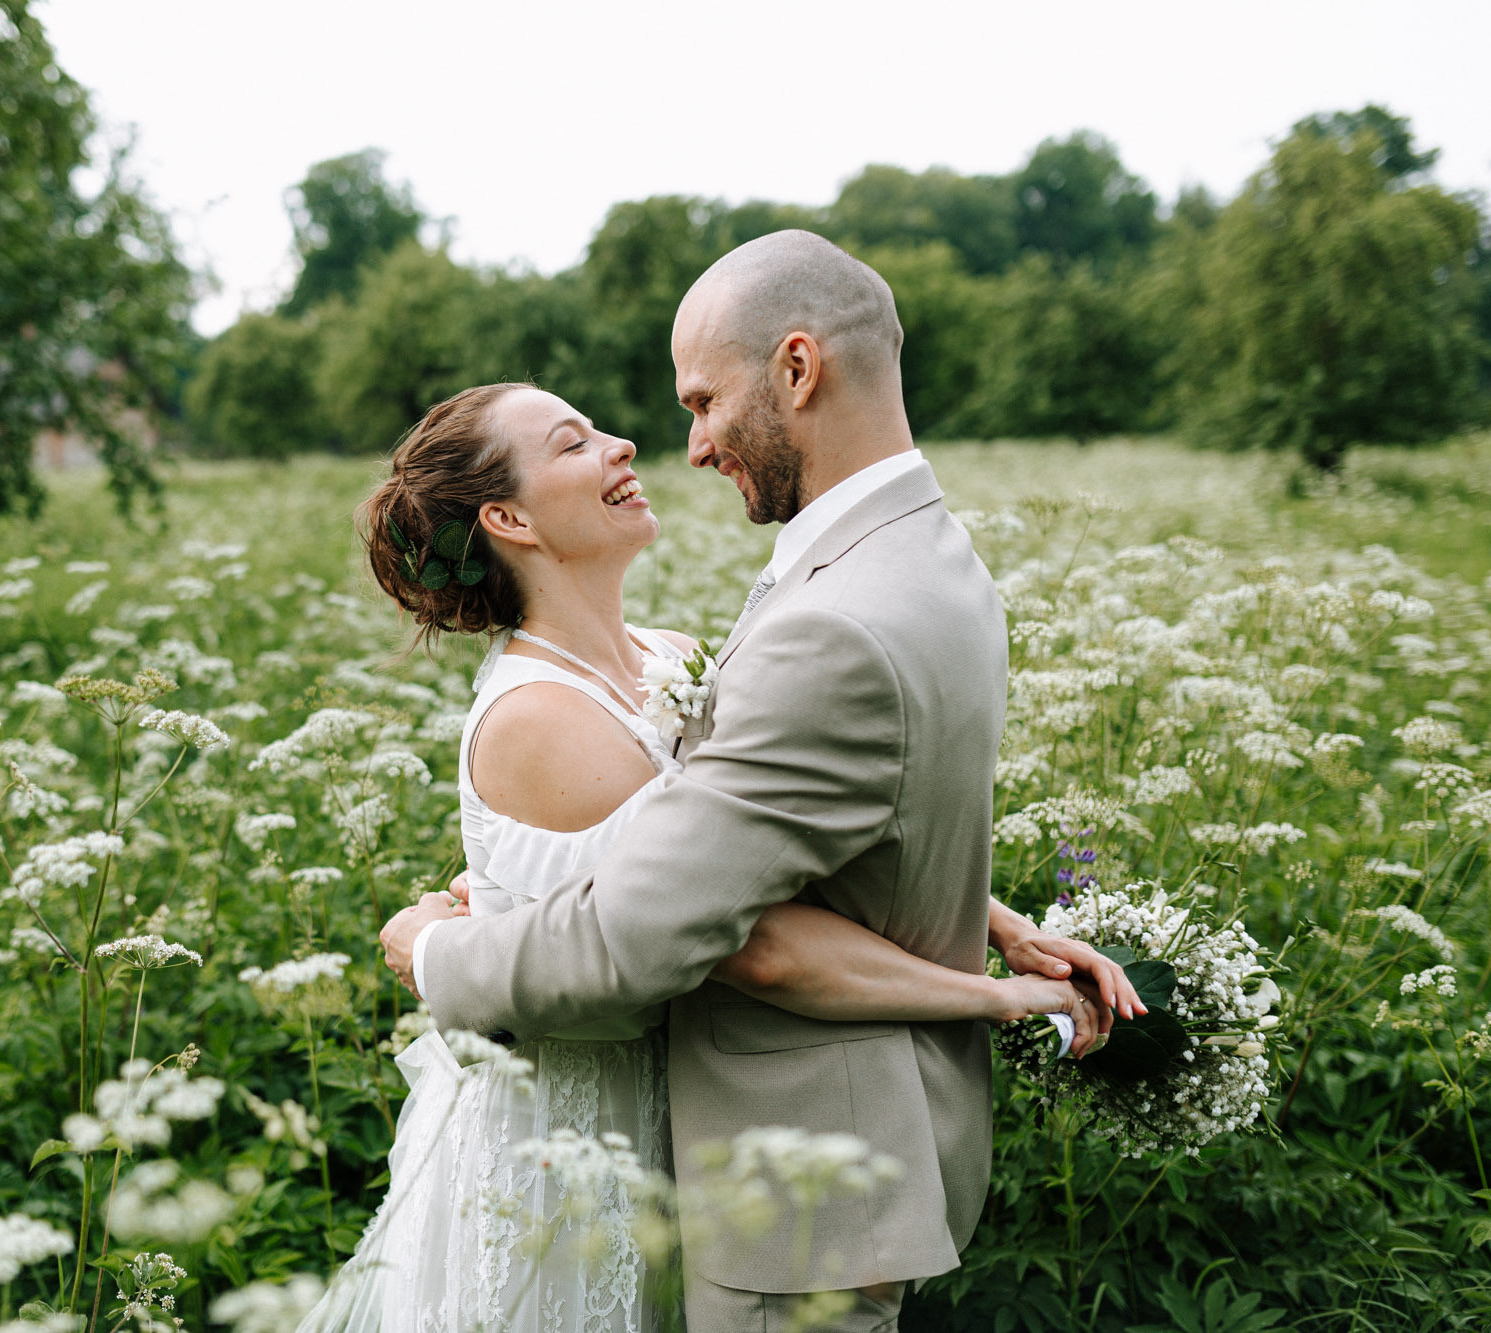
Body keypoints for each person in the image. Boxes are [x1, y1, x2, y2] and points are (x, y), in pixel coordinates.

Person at [377, 233, 1143, 1333]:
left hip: (766, 1156)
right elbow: (770, 864)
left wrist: (432, 948)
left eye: (700, 400)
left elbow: (744, 894)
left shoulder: (750, 633)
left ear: (795, 370)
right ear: (504, 520)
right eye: (574, 438)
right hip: (613, 1144)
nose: (665, 442)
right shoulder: (931, 560)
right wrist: (998, 958)